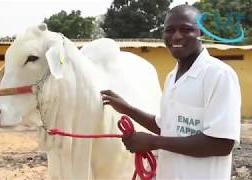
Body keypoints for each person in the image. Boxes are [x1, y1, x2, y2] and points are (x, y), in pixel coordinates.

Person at [100, 4, 241, 180]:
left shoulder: (219, 75)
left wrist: (152, 142)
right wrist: (128, 109)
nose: (176, 36)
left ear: (201, 33)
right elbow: (166, 127)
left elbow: (221, 144)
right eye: (169, 30)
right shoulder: (172, 77)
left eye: (186, 29)